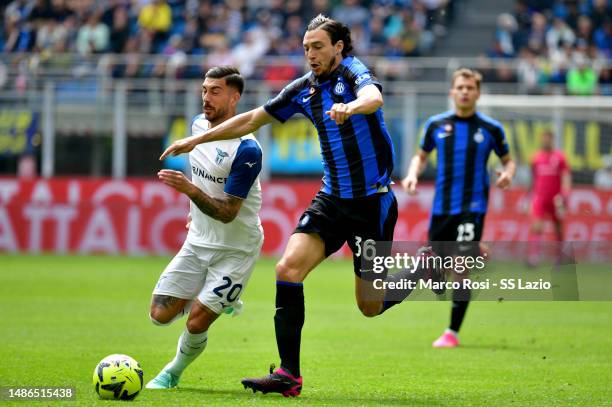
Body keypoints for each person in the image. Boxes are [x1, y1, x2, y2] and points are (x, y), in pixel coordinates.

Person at [161, 14, 441, 397]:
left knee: (370, 307)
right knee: (287, 269)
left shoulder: (354, 74)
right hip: (331, 200)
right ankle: (288, 374)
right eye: (306, 47)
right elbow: (252, 119)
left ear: (338, 47)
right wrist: (198, 140)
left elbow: (373, 97)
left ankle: (425, 271)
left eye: (318, 47)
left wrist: (352, 108)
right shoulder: (303, 90)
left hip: (371, 204)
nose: (310, 54)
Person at [146, 66, 264, 389]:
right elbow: (201, 176)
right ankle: (222, 299)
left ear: (234, 97)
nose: (206, 97)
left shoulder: (247, 150)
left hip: (235, 248)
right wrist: (192, 209)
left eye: (215, 91)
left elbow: (228, 213)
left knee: (197, 321)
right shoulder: (198, 127)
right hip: (198, 240)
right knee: (159, 314)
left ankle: (172, 372)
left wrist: (188, 191)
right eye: (204, 90)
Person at [401, 68, 516, 348]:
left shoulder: (491, 129)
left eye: (470, 88)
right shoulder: (436, 124)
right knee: (437, 272)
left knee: (461, 266)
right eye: (460, 87)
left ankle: (451, 332)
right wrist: (412, 174)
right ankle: (440, 268)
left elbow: (508, 160)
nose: (465, 92)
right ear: (452, 92)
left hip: (472, 208)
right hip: (442, 209)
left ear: (478, 93)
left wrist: (507, 174)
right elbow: (421, 156)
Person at [527, 129, 571, 266]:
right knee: (536, 226)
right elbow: (533, 179)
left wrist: (564, 195)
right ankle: (534, 257)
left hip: (556, 199)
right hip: (540, 198)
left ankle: (559, 257)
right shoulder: (536, 158)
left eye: (548, 138)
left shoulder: (560, 157)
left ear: (552, 140)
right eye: (544, 138)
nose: (546, 141)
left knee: (557, 228)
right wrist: (529, 197)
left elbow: (566, 177)